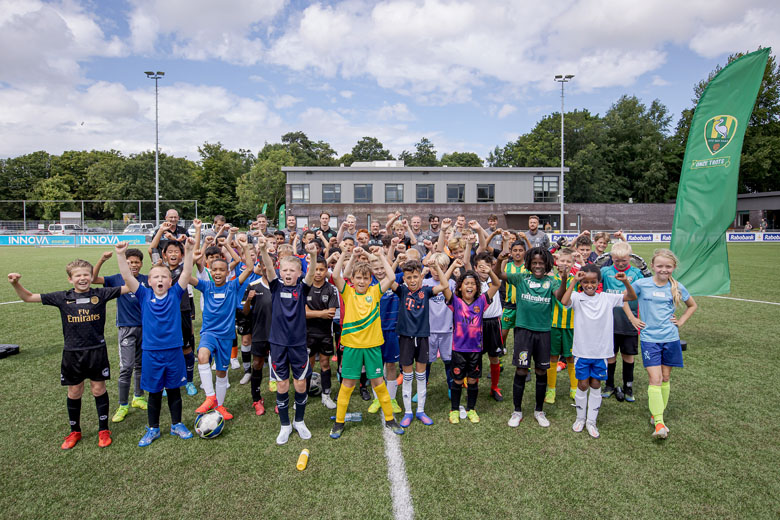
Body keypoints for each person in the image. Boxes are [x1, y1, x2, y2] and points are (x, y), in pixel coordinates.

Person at [8, 261, 125, 449]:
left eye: (86, 274)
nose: (82, 278)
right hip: (72, 353)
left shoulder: (100, 294)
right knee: (74, 391)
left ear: (91, 276)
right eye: (78, 275)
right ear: (70, 279)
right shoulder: (62, 297)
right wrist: (15, 283)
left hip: (96, 351)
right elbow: (28, 297)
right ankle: (75, 431)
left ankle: (103, 430)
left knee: (98, 389)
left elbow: (129, 287)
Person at [116, 238, 196, 447]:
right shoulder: (143, 294)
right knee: (154, 393)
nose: (160, 280)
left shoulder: (175, 293)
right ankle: (153, 428)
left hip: (174, 352)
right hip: (152, 353)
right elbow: (126, 276)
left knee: (174, 391)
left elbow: (186, 273)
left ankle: (176, 424)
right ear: (149, 282)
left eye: (164, 277)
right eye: (155, 277)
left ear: (170, 281)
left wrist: (188, 250)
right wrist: (119, 255)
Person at [329, 247, 405, 439]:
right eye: (358, 278)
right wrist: (350, 256)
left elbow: (391, 277)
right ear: (352, 280)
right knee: (347, 384)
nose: (361, 281)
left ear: (370, 279)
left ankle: (390, 419)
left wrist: (380, 256)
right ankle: (339, 422)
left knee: (379, 383)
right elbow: (336, 275)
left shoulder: (376, 291)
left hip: (372, 347)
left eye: (365, 278)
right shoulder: (348, 292)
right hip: (352, 347)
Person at [558, 264, 636, 438]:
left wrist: (625, 282)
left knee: (595, 384)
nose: (589, 285)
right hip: (582, 351)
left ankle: (591, 421)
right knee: (583, 384)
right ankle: (580, 418)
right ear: (581, 282)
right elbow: (564, 301)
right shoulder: (577, 297)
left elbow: (631, 296)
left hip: (601, 353)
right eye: (585, 282)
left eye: (593, 282)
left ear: (599, 282)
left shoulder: (607, 298)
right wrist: (574, 281)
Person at [627, 249, 697, 439]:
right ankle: (659, 423)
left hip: (671, 338)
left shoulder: (677, 286)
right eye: (660, 266)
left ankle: (656, 415)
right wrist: (633, 319)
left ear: (673, 267)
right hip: (650, 339)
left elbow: (693, 305)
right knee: (655, 379)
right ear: (652, 266)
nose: (663, 270)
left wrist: (680, 322)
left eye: (668, 266)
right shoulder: (642, 284)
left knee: (665, 378)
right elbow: (624, 300)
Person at [257, 235, 318, 445]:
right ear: (280, 272)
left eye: (292, 270)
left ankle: (299, 421)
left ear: (299, 273)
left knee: (300, 384)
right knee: (282, 384)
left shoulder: (303, 288)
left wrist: (313, 256)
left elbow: (312, 273)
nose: (288, 273)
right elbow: (268, 267)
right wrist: (264, 250)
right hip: (278, 344)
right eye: (285, 270)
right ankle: (285, 425)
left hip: (299, 344)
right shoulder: (276, 286)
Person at [191, 235, 255, 421]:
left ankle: (219, 406)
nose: (218, 272)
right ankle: (210, 397)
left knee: (221, 372)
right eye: (215, 269)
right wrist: (192, 256)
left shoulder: (233, 286)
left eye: (222, 270)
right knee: (202, 356)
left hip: (227, 336)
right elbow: (186, 277)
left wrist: (243, 248)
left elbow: (249, 267)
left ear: (228, 272)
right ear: (210, 270)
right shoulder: (205, 285)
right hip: (209, 333)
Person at [499, 246, 560, 429]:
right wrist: (500, 260)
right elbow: (500, 275)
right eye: (534, 263)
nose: (537, 266)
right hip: (523, 332)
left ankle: (539, 410)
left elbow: (561, 296)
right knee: (521, 370)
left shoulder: (553, 282)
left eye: (541, 263)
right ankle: (517, 411)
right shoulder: (521, 278)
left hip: (543, 333)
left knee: (541, 371)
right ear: (529, 264)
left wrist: (564, 278)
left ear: (547, 264)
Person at [387, 259, 450, 428]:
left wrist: (435, 266)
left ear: (421, 277)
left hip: (422, 338)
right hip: (406, 338)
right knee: (407, 377)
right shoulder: (401, 291)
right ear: (404, 279)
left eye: (415, 277)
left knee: (421, 376)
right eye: (409, 277)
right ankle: (408, 412)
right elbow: (388, 277)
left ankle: (421, 411)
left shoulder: (427, 291)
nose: (413, 280)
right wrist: (381, 258)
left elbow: (444, 285)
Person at [92, 248, 149, 422]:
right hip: (126, 328)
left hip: (145, 328)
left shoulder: (146, 280)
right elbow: (93, 279)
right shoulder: (116, 278)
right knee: (126, 367)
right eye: (130, 262)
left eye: (137, 262)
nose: (133, 265)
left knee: (140, 365)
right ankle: (123, 404)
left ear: (141, 264)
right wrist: (102, 259)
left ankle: (138, 397)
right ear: (125, 263)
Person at [601, 241, 645, 402]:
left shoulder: (636, 273)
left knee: (628, 355)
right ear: (611, 258)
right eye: (616, 260)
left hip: (630, 322)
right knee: (610, 355)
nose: (620, 264)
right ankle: (609, 384)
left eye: (624, 260)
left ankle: (628, 386)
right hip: (609, 323)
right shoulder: (605, 271)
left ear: (630, 258)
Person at [305, 256, 339, 409]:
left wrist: (313, 312)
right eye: (315, 269)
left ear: (326, 271)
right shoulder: (304, 287)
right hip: (307, 333)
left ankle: (326, 395)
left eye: (321, 270)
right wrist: (321, 313)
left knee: (325, 363)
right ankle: (303, 394)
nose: (318, 273)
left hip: (325, 333)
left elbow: (331, 313)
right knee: (309, 364)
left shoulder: (331, 289)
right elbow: (303, 313)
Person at [546, 248, 578, 404]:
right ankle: (551, 389)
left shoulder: (576, 280)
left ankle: (574, 388)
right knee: (552, 357)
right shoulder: (551, 280)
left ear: (573, 263)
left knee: (571, 357)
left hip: (571, 325)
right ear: (556, 262)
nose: (565, 264)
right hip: (553, 324)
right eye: (562, 261)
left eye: (568, 261)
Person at [473, 252, 505, 401]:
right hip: (477, 324)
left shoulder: (494, 279)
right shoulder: (472, 282)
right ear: (475, 268)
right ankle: (474, 385)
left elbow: (498, 269)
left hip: (493, 323)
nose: (484, 270)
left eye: (487, 266)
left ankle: (495, 387)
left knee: (494, 356)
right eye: (481, 267)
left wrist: (490, 269)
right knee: (475, 357)